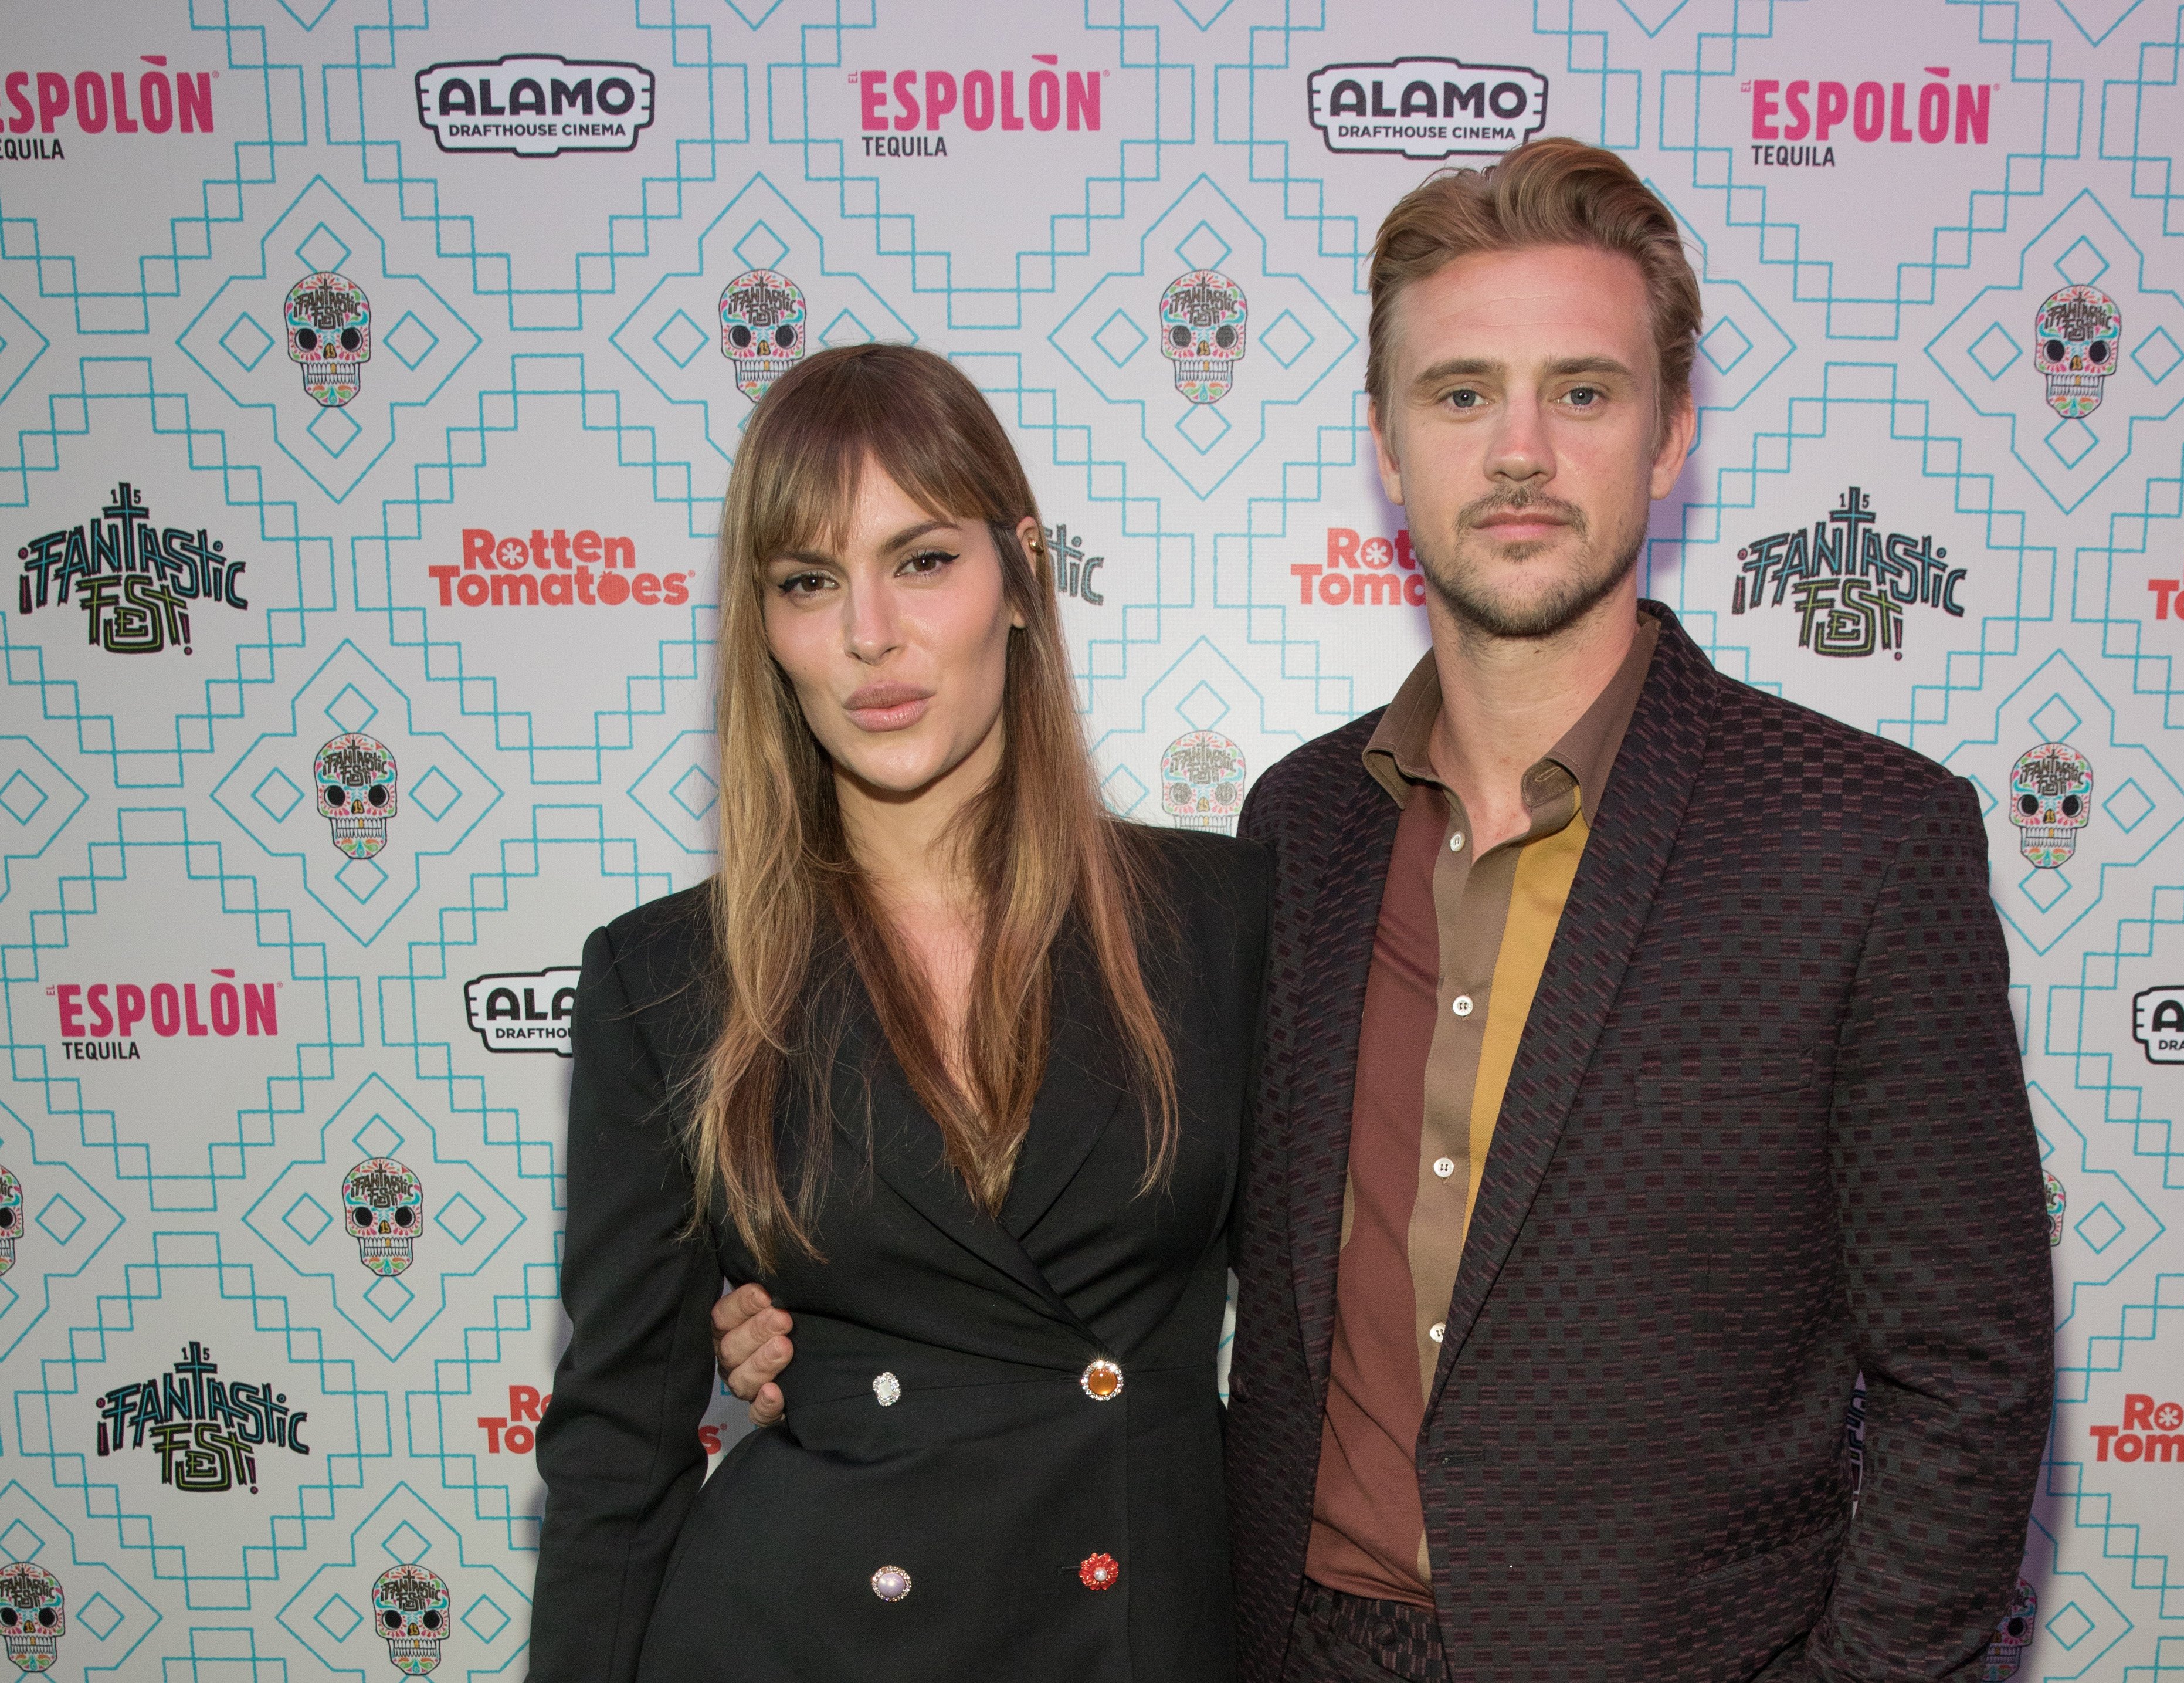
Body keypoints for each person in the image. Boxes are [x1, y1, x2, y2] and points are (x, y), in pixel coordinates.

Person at [712, 138, 2054, 1681]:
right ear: (1388, 440)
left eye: (1587, 390)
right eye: (1463, 392)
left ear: (1674, 429)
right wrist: (820, 1310)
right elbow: (1123, 1216)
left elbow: (1971, 1380)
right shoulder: (1299, 829)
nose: (1522, 448)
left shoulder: (1859, 837)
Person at [528, 343, 1270, 1682]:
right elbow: (616, 1455)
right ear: (765, 627)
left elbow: (1333, 1339)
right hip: (793, 1630)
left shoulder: (1221, 916)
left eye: (923, 560)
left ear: (1021, 572)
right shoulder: (670, 979)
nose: (870, 631)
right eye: (810, 583)